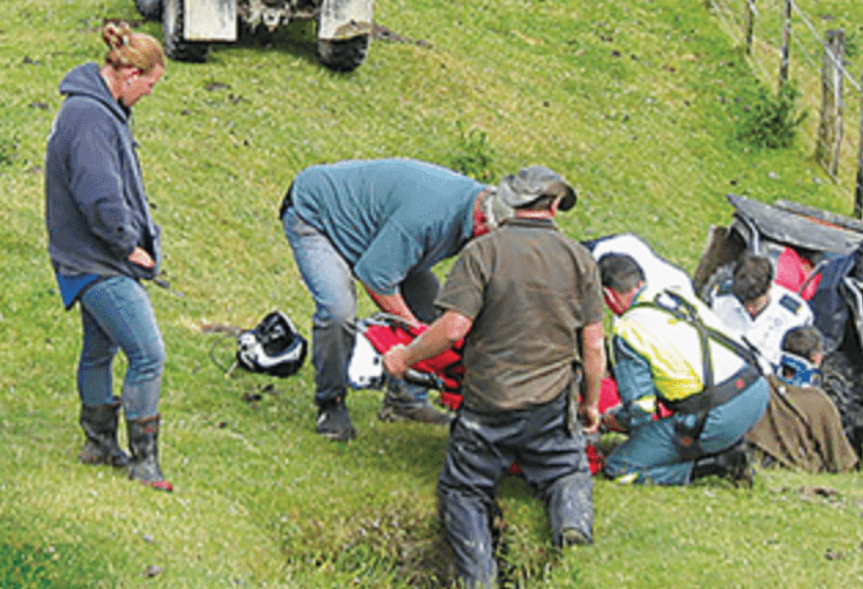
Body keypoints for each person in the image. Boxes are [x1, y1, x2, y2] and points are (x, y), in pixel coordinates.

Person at [381, 166, 601, 588]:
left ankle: (479, 575)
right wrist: (589, 404)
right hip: (550, 403)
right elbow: (592, 345)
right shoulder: (580, 259)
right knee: (567, 471)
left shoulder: (482, 253)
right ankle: (573, 529)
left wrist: (403, 358)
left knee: (463, 490)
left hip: (489, 403)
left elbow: (453, 329)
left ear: (510, 202)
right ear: (554, 206)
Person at [282, 158, 504, 440]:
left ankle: (405, 401)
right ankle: (331, 401)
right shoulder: (429, 217)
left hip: (380, 234)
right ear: (481, 222)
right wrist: (416, 334)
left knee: (435, 310)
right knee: (338, 312)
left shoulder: (484, 204)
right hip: (316, 216)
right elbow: (376, 276)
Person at [43, 22, 172, 492]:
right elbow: (99, 195)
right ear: (130, 74)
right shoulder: (91, 118)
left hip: (84, 256)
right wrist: (128, 246)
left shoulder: (95, 110)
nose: (149, 95)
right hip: (96, 261)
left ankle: (98, 443)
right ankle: (144, 461)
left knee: (99, 351)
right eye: (151, 86)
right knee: (147, 353)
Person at [597, 253, 771, 486]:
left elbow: (641, 410)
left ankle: (714, 465)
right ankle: (722, 446)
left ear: (608, 295)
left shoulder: (628, 330)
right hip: (756, 392)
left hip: (718, 414)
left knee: (618, 468)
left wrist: (609, 421)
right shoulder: (675, 295)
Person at [743, 326, 859, 473]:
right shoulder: (819, 402)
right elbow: (841, 462)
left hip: (758, 466)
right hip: (801, 469)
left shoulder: (759, 387)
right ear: (817, 358)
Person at [710, 253, 814, 374]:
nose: (749, 309)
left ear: (769, 287)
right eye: (744, 304)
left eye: (755, 304)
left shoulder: (794, 315)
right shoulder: (721, 299)